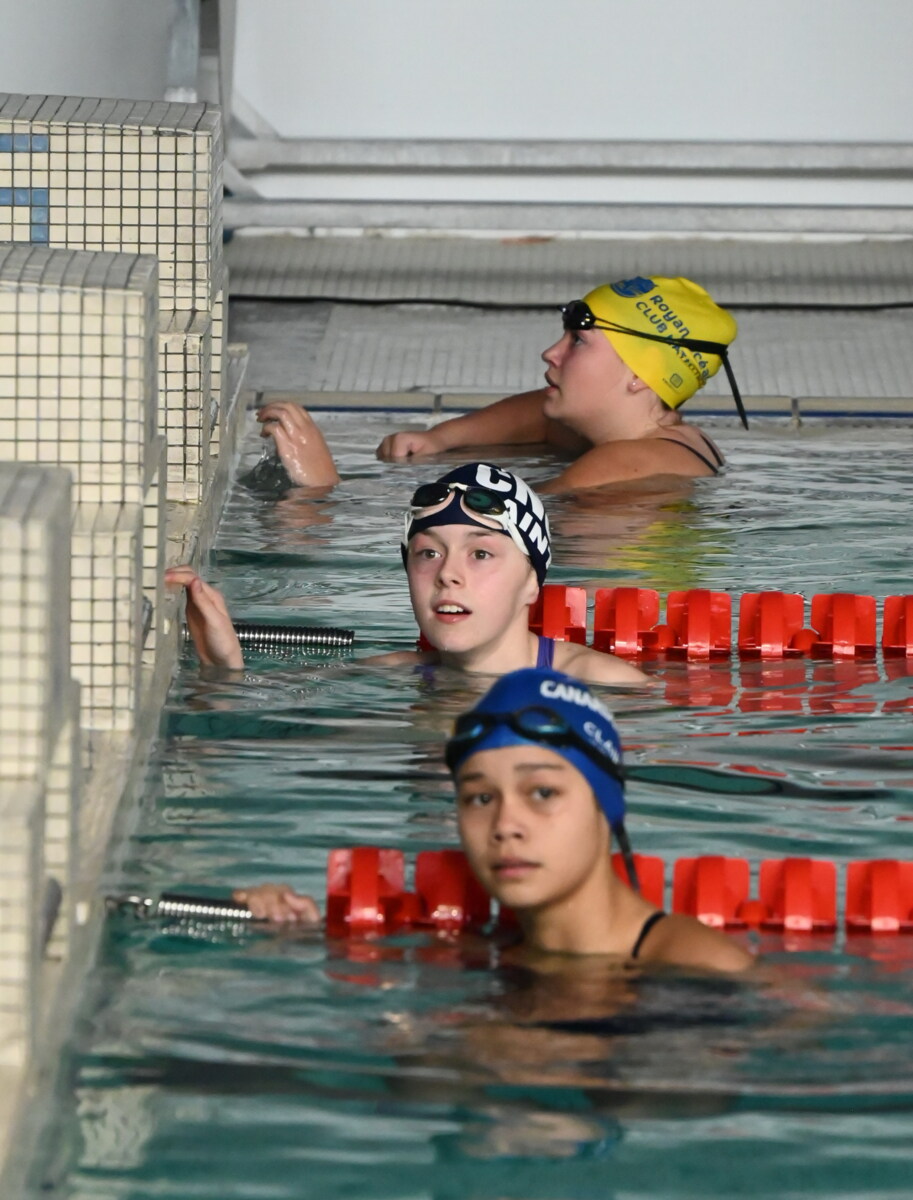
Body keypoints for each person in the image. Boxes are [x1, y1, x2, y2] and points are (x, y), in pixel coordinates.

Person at [233, 666, 753, 975]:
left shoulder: (696, 964)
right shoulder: (487, 956)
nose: (506, 825)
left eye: (542, 793)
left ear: (606, 806)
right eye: (480, 798)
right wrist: (298, 934)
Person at [167, 461, 648, 684]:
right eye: (429, 553)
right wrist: (223, 669)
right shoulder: (386, 676)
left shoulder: (604, 685)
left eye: (481, 554)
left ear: (531, 583)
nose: (448, 575)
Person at [375, 275, 743, 492]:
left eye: (578, 341)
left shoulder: (624, 462)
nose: (550, 353)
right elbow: (539, 414)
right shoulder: (666, 439)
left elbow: (508, 520)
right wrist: (440, 438)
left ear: (640, 376)